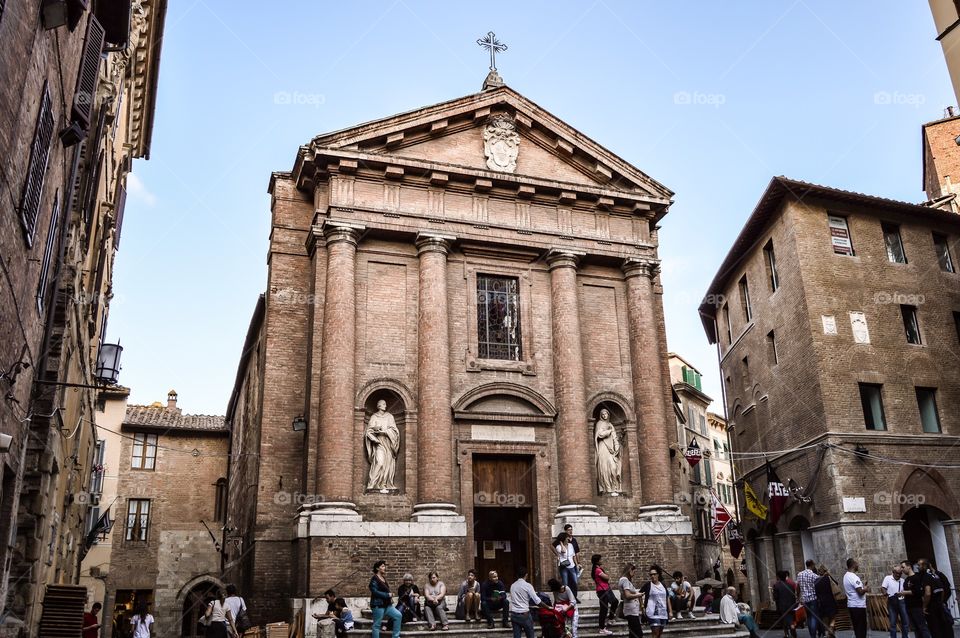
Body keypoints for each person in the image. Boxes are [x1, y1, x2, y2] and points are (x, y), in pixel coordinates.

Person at [365, 400, 400, 490]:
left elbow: (395, 431)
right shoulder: (374, 417)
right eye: (383, 404)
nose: (385, 405)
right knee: (380, 462)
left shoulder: (390, 417)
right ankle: (372, 483)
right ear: (379, 406)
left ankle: (384, 484)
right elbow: (368, 431)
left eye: (385, 404)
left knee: (387, 464)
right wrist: (375, 435)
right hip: (379, 442)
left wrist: (385, 431)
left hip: (388, 442)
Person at [509, 566, 545, 638]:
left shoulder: (512, 585)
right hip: (524, 614)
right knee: (530, 635)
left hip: (514, 614)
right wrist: (547, 607)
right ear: (526, 575)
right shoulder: (528, 586)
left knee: (517, 635)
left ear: (517, 575)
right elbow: (537, 600)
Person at [919, 558, 951, 638]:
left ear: (925, 566)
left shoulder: (926, 576)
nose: (918, 567)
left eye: (919, 565)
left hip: (932, 607)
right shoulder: (935, 576)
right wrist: (941, 601)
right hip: (939, 605)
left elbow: (928, 593)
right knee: (943, 627)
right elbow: (942, 590)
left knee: (935, 629)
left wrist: (924, 606)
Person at [369, 560, 402, 638]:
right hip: (378, 605)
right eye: (382, 566)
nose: (385, 568)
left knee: (398, 615)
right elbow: (374, 591)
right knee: (377, 625)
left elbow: (385, 590)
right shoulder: (374, 579)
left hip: (387, 605)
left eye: (384, 566)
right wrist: (387, 595)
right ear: (377, 568)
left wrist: (390, 597)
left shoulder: (383, 578)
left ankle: (396, 636)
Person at [900, 561, 933, 638]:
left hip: (917, 606)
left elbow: (918, 591)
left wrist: (905, 592)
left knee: (922, 627)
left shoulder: (916, 578)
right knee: (915, 628)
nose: (902, 569)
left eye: (903, 567)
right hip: (909, 606)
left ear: (909, 567)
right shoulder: (906, 580)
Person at [881, 565, 910, 638]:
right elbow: (883, 588)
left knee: (905, 622)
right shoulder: (888, 578)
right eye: (896, 573)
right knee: (893, 623)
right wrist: (885, 593)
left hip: (902, 602)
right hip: (892, 602)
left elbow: (905, 591)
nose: (898, 575)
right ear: (893, 572)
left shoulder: (902, 580)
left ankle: (905, 636)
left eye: (900, 573)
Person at [843, 557, 870, 638]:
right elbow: (860, 592)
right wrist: (865, 589)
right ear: (853, 565)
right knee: (861, 630)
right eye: (857, 563)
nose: (858, 565)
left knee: (857, 628)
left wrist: (863, 587)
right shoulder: (853, 577)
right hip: (858, 606)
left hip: (852, 605)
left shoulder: (846, 576)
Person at [591, 554, 618, 634]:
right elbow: (607, 577)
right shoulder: (597, 570)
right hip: (602, 591)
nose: (602, 560)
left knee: (615, 601)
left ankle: (610, 618)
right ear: (597, 561)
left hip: (606, 589)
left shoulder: (599, 569)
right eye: (600, 559)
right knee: (604, 609)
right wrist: (606, 575)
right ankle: (602, 628)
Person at [642, 565, 671, 638]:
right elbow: (639, 594)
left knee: (659, 634)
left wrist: (670, 611)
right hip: (652, 612)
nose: (652, 576)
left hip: (663, 612)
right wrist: (642, 607)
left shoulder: (663, 585)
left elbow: (667, 597)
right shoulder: (648, 585)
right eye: (651, 574)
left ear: (658, 574)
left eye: (654, 574)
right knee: (655, 633)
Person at [617, 563, 644, 638]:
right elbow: (627, 595)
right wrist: (639, 595)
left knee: (633, 633)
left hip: (631, 610)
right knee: (638, 634)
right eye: (634, 572)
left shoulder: (624, 580)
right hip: (631, 611)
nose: (634, 574)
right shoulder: (625, 580)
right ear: (629, 570)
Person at [796, 560, 819, 638]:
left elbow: (798, 587)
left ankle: (811, 634)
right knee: (813, 617)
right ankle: (813, 636)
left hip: (804, 599)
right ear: (812, 565)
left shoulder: (800, 574)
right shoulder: (814, 576)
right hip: (813, 598)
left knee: (808, 617)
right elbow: (818, 588)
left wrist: (798, 597)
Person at [554, 532, 579, 603]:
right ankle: (566, 598)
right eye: (567, 537)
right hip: (564, 567)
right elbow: (563, 551)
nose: (568, 538)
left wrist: (576, 564)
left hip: (572, 566)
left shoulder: (571, 545)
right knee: (565, 583)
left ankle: (574, 597)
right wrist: (561, 543)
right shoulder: (558, 547)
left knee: (574, 582)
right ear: (563, 539)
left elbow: (573, 555)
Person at [814, 565, 838, 638]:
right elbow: (836, 584)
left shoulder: (816, 581)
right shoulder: (828, 579)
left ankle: (830, 633)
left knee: (825, 619)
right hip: (830, 601)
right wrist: (829, 574)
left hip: (821, 602)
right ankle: (831, 629)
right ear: (825, 571)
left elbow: (816, 593)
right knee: (833, 618)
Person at [774, 571, 798, 638]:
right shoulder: (790, 585)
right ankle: (791, 628)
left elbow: (776, 597)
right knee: (790, 617)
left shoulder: (776, 585)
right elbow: (793, 595)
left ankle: (787, 632)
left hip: (782, 605)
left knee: (784, 620)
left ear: (778, 577)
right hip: (791, 605)